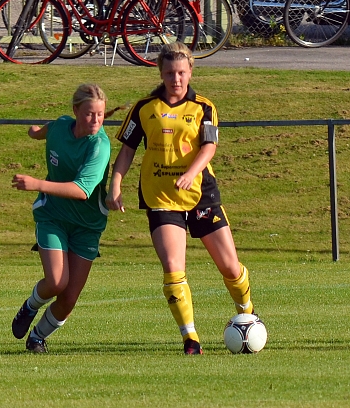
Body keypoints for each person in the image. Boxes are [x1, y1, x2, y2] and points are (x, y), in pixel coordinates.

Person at [107, 42, 255, 355]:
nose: (176, 79)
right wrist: (115, 184)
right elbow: (128, 150)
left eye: (182, 73)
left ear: (190, 72)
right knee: (174, 267)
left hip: (201, 195)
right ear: (161, 72)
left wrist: (191, 174)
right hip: (161, 197)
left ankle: (247, 312)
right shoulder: (144, 107)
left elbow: (209, 147)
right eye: (170, 72)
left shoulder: (204, 107)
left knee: (230, 267)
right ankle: (190, 338)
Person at [10, 83, 112, 354]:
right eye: (90, 114)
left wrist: (37, 183)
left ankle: (38, 337)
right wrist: (35, 133)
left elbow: (81, 191)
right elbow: (46, 130)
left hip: (87, 226)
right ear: (76, 111)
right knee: (56, 281)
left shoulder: (100, 146)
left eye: (101, 115)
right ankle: (31, 306)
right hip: (53, 216)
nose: (96, 121)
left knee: (68, 298)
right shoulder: (60, 127)